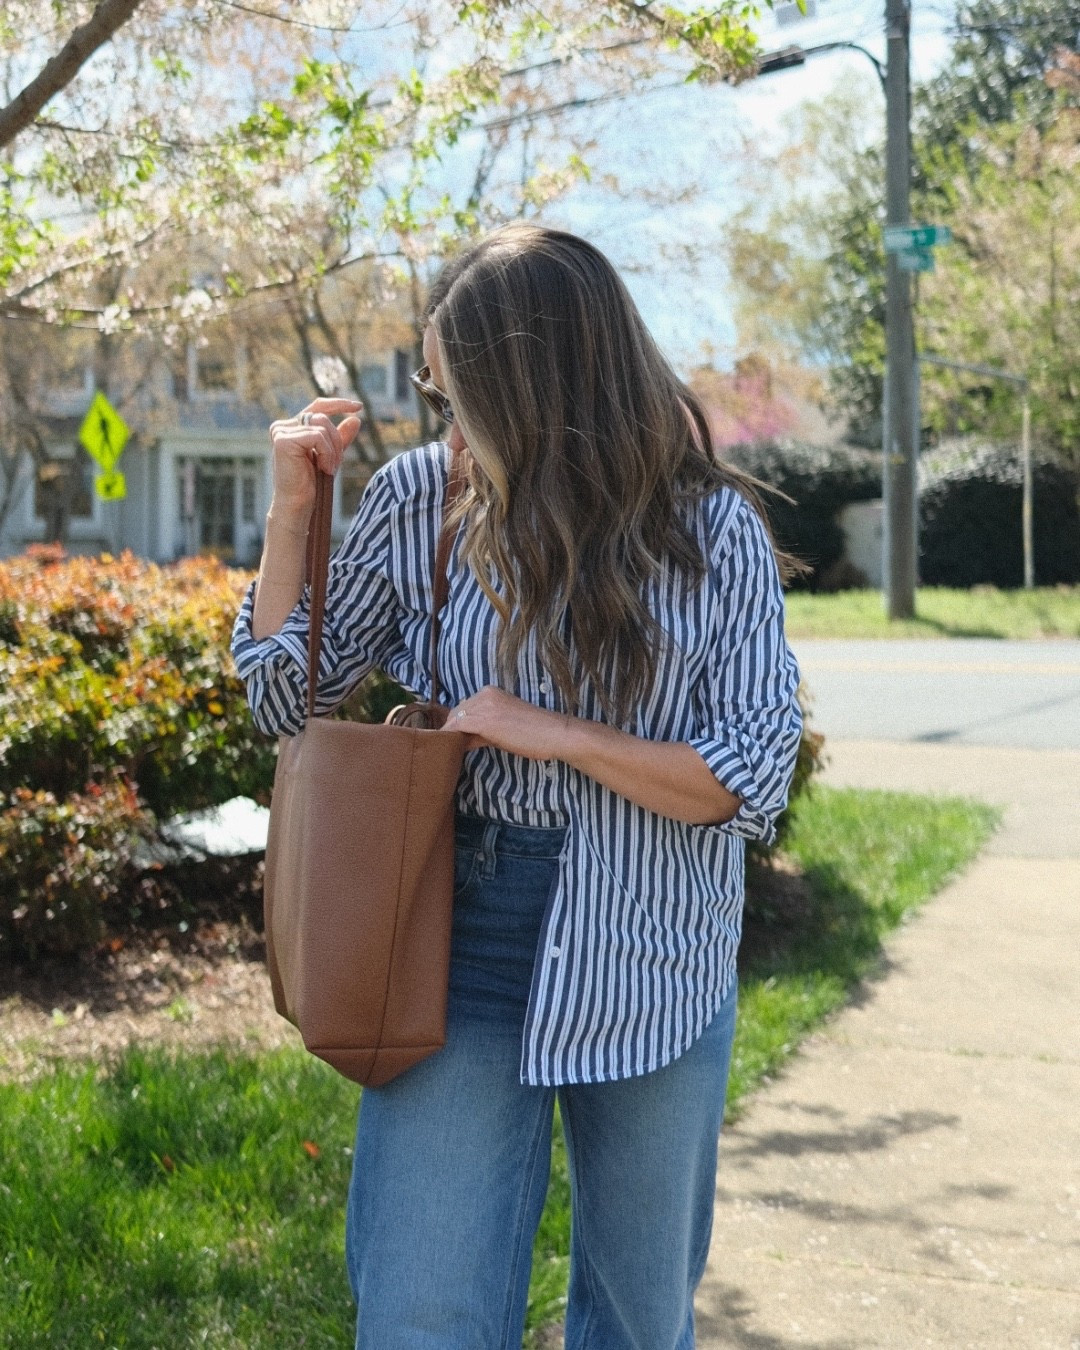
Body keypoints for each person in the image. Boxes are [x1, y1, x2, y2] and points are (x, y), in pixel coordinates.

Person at [231, 223, 803, 1350]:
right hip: (450, 931)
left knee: (637, 1322)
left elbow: (746, 778)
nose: (444, 426)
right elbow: (281, 701)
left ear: (533, 385)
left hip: (654, 943)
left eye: (458, 398)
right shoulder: (420, 504)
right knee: (421, 1313)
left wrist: (555, 734)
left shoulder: (711, 531)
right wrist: (296, 512)